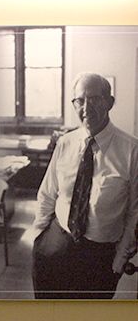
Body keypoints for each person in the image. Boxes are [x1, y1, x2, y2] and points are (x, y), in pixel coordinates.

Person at [32, 72, 138, 299]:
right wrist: (39, 239)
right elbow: (47, 194)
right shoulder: (65, 143)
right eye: (79, 100)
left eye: (95, 99)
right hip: (55, 245)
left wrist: (119, 261)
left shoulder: (132, 151)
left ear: (109, 103)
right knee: (48, 318)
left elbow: (134, 214)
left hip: (99, 257)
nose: (86, 108)